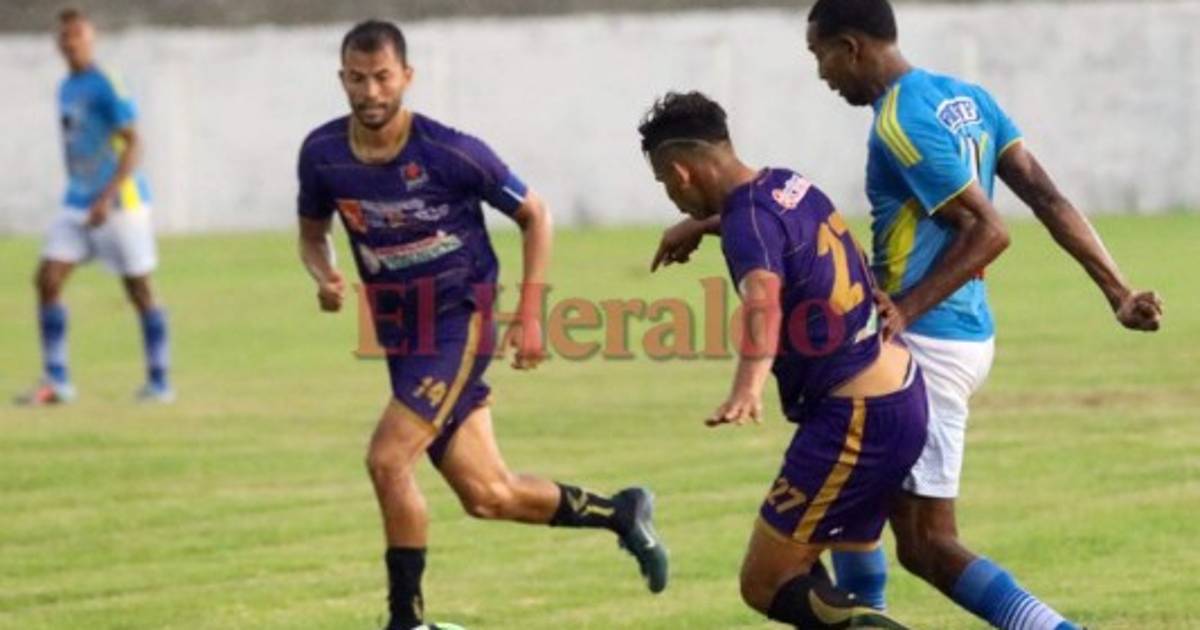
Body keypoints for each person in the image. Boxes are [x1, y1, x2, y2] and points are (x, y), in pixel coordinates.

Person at [652, 1, 1163, 627]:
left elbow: (990, 230)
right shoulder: (966, 99)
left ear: (851, 47)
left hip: (924, 338)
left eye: (820, 56)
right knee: (850, 517)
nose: (821, 74)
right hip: (962, 330)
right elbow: (1046, 197)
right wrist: (1117, 290)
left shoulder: (899, 122)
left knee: (925, 543)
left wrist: (905, 308)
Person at [296, 20, 667, 630]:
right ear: (342, 79)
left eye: (382, 77)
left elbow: (535, 213)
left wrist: (530, 314)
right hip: (402, 338)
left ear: (406, 77)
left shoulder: (450, 151)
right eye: (357, 79)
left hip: (459, 322)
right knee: (488, 494)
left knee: (388, 461)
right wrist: (324, 275)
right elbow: (313, 235)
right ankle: (622, 513)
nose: (370, 92)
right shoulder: (322, 154)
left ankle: (407, 622)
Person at [640, 90, 927, 629]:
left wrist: (746, 388)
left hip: (857, 417)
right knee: (826, 555)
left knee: (766, 581)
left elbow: (762, 300)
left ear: (681, 172)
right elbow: (774, 229)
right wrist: (701, 226)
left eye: (664, 183)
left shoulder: (747, 222)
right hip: (897, 390)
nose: (671, 196)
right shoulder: (785, 184)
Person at [17, 7, 172, 406]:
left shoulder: (107, 84)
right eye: (64, 37)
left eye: (77, 36)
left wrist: (107, 195)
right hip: (77, 202)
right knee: (47, 279)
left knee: (138, 289)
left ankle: (159, 382)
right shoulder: (66, 87)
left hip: (120, 203)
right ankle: (57, 381)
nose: (70, 43)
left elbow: (134, 143)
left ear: (91, 39)